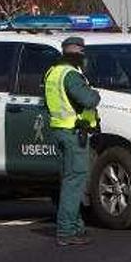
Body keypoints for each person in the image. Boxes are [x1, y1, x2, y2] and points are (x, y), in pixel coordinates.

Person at [44, 37, 101, 247]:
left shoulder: (52, 72)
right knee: (74, 181)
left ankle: (76, 226)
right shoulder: (71, 75)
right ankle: (67, 231)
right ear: (78, 54)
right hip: (73, 133)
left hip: (58, 130)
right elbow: (88, 100)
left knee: (68, 181)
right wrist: (95, 93)